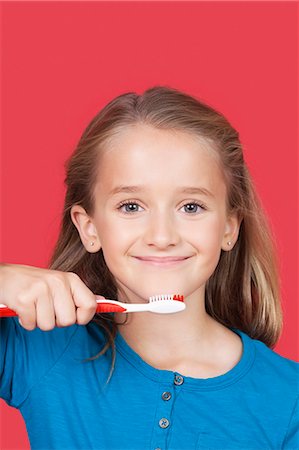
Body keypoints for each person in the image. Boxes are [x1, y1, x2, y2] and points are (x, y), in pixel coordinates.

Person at [0, 86, 298, 450]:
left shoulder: (288, 401)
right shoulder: (37, 348)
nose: (162, 236)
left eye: (191, 207)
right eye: (130, 206)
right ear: (89, 228)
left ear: (229, 228)